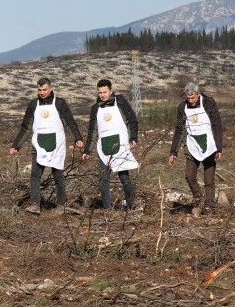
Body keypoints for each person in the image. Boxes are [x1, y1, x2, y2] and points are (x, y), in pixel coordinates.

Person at [9, 77, 83, 214]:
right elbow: (26, 127)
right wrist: (16, 145)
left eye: (44, 90)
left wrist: (77, 137)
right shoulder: (33, 105)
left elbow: (70, 122)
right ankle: (36, 204)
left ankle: (61, 206)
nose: (42, 92)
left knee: (58, 174)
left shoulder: (60, 103)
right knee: (35, 175)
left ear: (51, 88)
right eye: (39, 90)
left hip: (57, 144)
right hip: (38, 144)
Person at [82, 79, 140, 210]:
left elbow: (132, 120)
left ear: (111, 90)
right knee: (103, 180)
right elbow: (93, 131)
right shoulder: (95, 108)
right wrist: (87, 151)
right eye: (100, 92)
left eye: (105, 92)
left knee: (124, 178)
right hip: (104, 148)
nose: (102, 95)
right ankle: (107, 210)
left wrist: (133, 138)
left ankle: (131, 206)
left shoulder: (120, 102)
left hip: (121, 146)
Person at [168, 83, 224, 215]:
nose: (191, 101)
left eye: (193, 98)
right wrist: (173, 152)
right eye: (188, 98)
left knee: (209, 180)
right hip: (192, 145)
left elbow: (217, 126)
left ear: (198, 94)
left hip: (209, 146)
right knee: (189, 176)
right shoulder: (182, 107)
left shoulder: (209, 103)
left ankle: (209, 207)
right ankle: (199, 198)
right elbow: (179, 130)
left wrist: (219, 148)